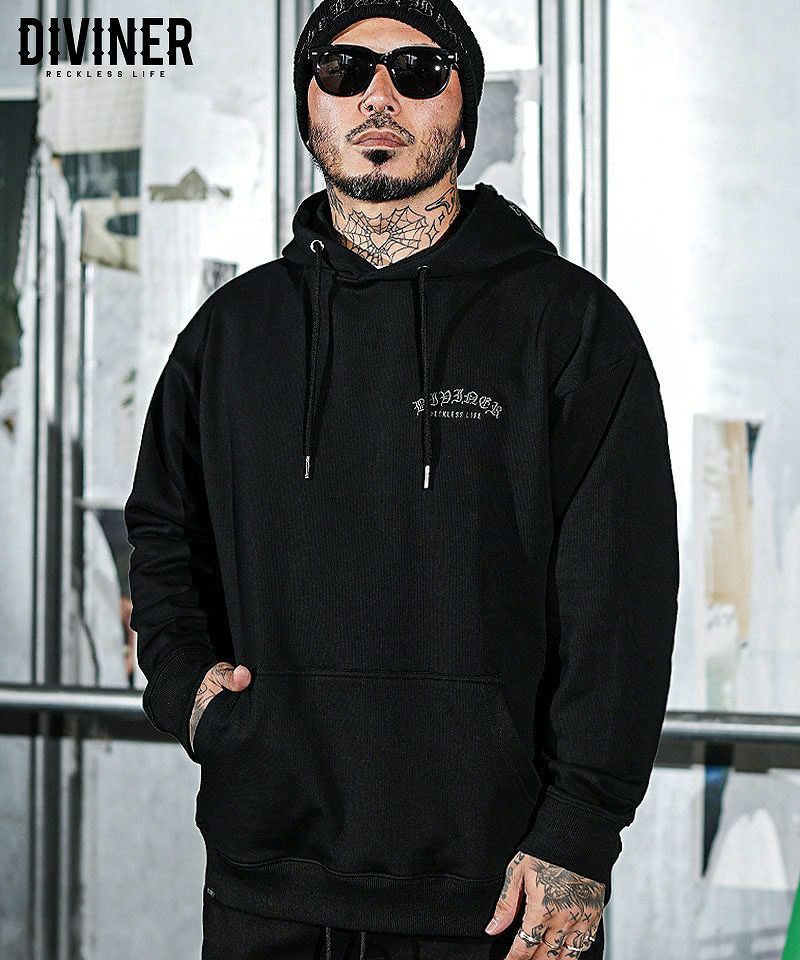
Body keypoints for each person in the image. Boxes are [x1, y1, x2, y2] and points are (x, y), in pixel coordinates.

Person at [124, 1, 680, 958]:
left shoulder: (570, 326)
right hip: (267, 879)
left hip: (498, 893)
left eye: (419, 71)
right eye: (343, 71)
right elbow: (164, 535)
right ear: (310, 108)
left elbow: (619, 599)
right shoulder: (233, 332)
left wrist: (582, 832)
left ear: (463, 115)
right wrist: (190, 692)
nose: (377, 96)